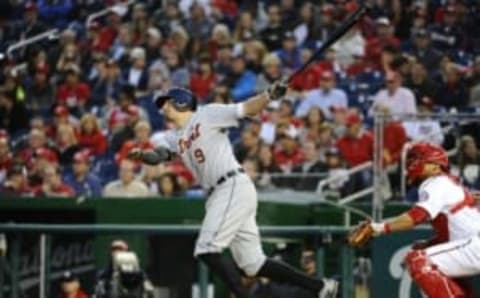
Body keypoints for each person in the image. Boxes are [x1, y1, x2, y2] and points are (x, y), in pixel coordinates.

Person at [128, 85, 339, 297]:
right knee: (253, 265)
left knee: (207, 249)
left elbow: (246, 109)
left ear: (181, 102)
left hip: (230, 186)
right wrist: (144, 155)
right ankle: (320, 287)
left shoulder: (207, 114)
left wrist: (268, 96)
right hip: (224, 193)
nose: (163, 108)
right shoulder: (175, 136)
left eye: (167, 103)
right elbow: (161, 154)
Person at [349, 142, 480, 297]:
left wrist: (378, 227)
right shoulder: (446, 185)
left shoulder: (436, 182)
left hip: (475, 245)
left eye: (420, 159)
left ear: (435, 166)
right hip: (472, 244)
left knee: (419, 261)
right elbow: (453, 235)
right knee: (439, 269)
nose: (413, 163)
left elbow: (416, 217)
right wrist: (427, 244)